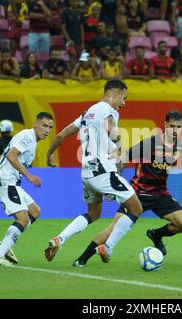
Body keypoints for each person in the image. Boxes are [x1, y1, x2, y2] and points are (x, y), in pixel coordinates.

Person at [73, 110, 182, 267]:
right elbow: (123, 158)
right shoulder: (150, 143)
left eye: (179, 127)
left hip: (159, 194)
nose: (175, 130)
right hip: (138, 193)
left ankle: (155, 234)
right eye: (172, 126)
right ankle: (82, 258)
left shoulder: (178, 147)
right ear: (165, 125)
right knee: (113, 228)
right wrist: (112, 184)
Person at [44, 80, 143, 263]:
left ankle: (60, 239)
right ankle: (108, 247)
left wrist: (49, 154)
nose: (124, 103)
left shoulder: (87, 113)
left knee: (94, 214)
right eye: (124, 98)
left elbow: (61, 134)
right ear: (116, 93)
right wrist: (119, 147)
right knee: (136, 208)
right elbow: (112, 130)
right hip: (104, 171)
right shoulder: (109, 111)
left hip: (87, 173)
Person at [0, 112, 54, 266]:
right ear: (36, 124)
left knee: (34, 211)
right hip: (6, 181)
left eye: (50, 128)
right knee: (23, 219)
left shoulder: (31, 142)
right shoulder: (27, 137)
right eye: (44, 126)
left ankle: (5, 245)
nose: (47, 130)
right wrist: (29, 175)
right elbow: (11, 156)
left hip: (8, 181)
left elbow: (0, 157)